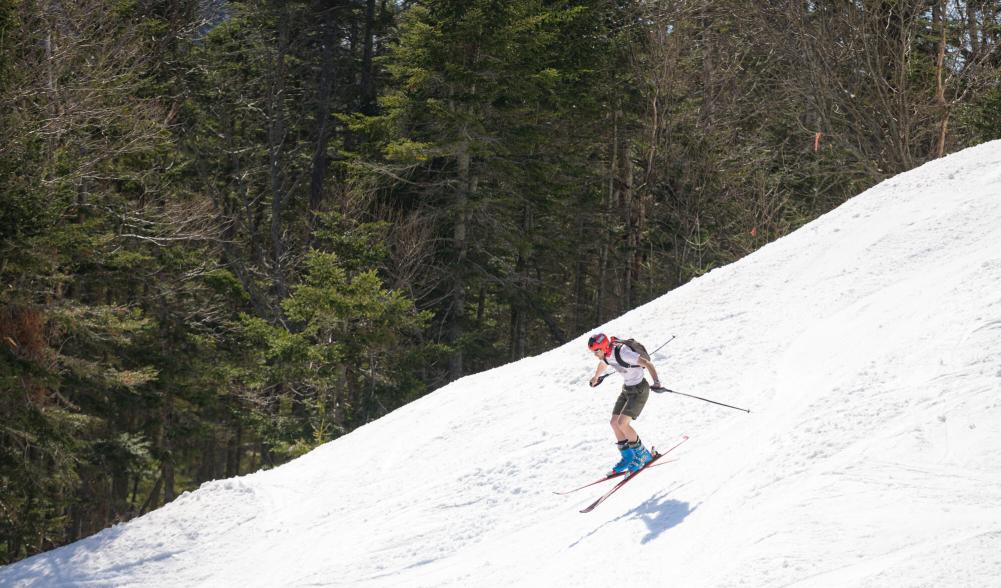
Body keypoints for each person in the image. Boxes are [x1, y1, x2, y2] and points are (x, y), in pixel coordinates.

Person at [587, 333, 662, 474]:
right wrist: (596, 377)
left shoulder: (622, 352)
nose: (595, 354)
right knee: (614, 423)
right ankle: (628, 456)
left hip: (639, 390)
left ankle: (643, 455)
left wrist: (657, 382)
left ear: (603, 347)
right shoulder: (607, 355)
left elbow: (647, 363)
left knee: (623, 423)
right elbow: (603, 364)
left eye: (596, 351)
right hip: (627, 389)